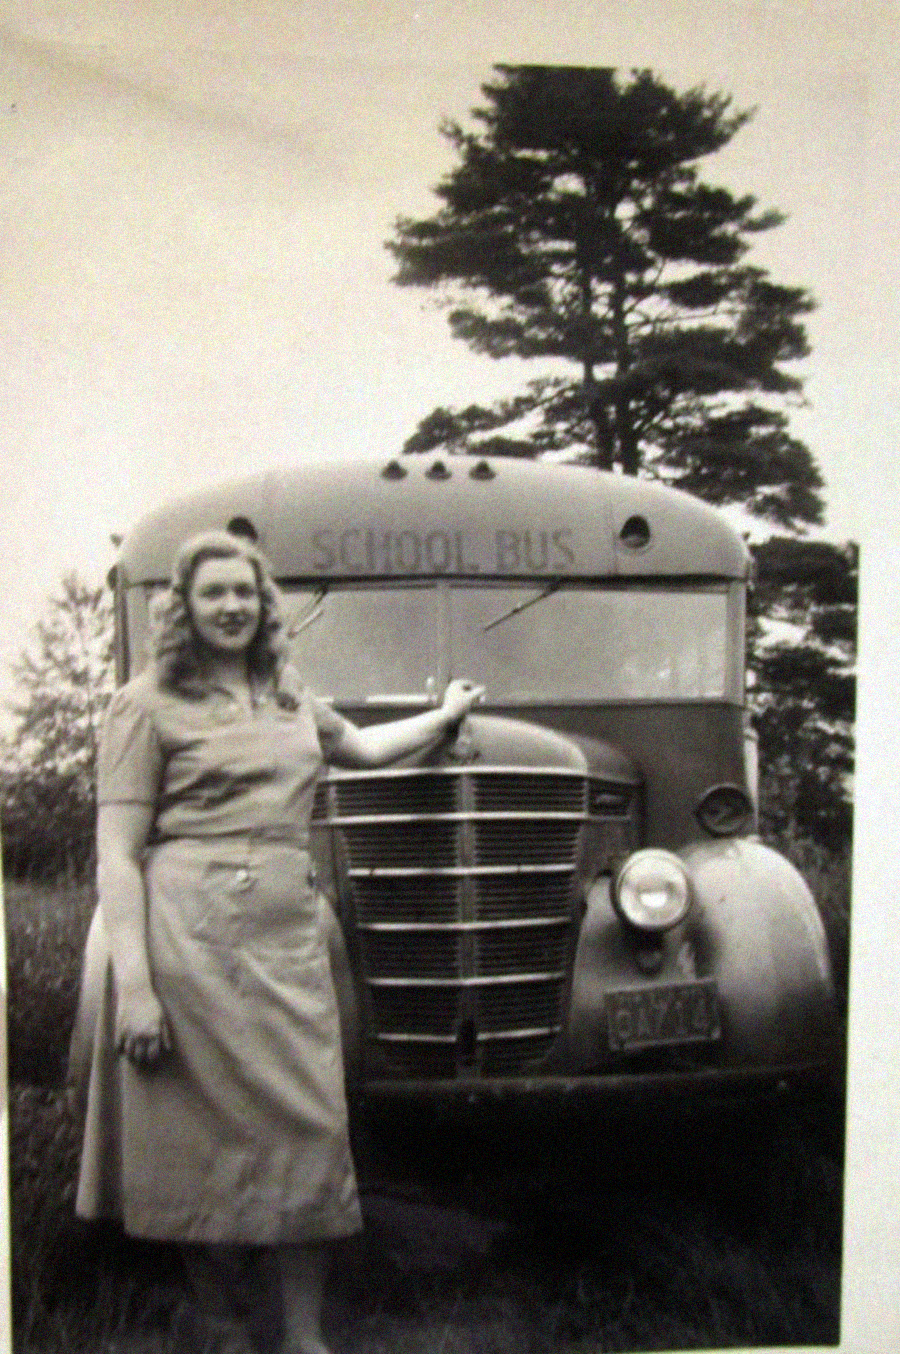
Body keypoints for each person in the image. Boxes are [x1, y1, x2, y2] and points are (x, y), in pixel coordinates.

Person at [71, 528, 484, 1354]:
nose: (232, 607)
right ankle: (223, 1325)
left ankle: (303, 1338)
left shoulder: (292, 694)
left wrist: (443, 716)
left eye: (246, 594)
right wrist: (139, 986)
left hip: (286, 937)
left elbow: (362, 750)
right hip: (186, 938)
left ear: (267, 608)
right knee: (200, 1140)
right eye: (213, 593)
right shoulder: (145, 705)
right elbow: (117, 855)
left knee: (308, 1129)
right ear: (181, 609)